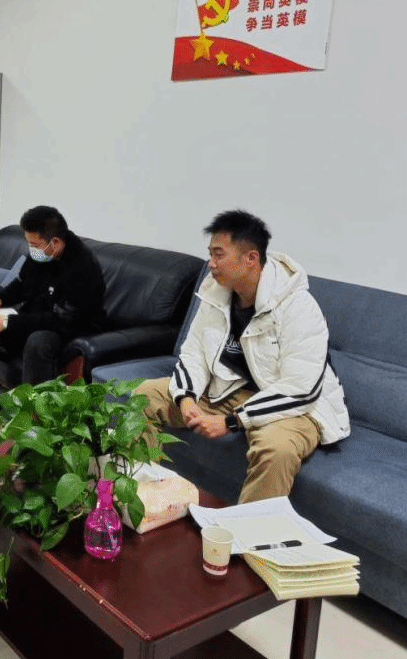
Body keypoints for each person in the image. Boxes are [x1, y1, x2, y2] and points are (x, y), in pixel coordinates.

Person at [134, 209, 349, 503]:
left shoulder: (298, 307)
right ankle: (143, 503)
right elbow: (193, 353)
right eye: (210, 253)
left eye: (219, 254)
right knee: (145, 396)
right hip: (230, 389)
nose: (210, 263)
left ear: (251, 258)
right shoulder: (216, 293)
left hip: (294, 405)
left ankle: (247, 532)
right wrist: (186, 398)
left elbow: (301, 389)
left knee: (276, 450)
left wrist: (232, 422)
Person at [0, 205, 106, 416]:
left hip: (72, 328)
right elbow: (21, 284)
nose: (31, 249)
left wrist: (7, 322)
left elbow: (60, 320)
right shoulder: (42, 254)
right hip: (38, 316)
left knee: (38, 341)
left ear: (54, 242)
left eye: (34, 244)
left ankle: (35, 413)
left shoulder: (82, 268)